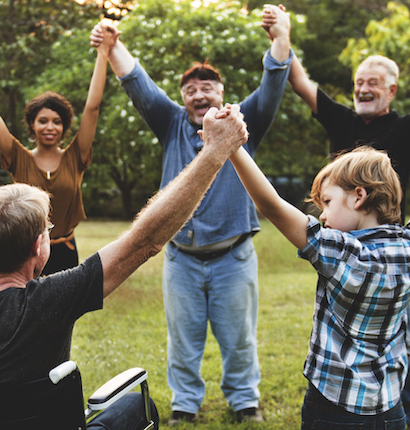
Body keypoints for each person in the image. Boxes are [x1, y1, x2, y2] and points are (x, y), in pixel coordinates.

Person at [90, 4, 293, 424]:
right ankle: (185, 404)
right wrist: (113, 44)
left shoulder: (243, 122)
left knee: (239, 340)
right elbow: (136, 82)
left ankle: (244, 402)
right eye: (191, 90)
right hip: (181, 258)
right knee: (183, 341)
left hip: (233, 257)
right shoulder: (170, 123)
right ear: (183, 98)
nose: (199, 94)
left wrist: (281, 36)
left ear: (221, 93)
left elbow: (273, 82)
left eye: (208, 87)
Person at [0, 104, 249, 429]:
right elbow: (145, 241)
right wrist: (214, 152)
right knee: (139, 407)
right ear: (38, 246)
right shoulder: (50, 300)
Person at [264, 7, 410, 427]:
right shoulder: (343, 119)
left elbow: (272, 207)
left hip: (377, 244)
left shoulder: (407, 126)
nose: (363, 88)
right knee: (389, 333)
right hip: (388, 251)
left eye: (372, 82)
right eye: (358, 82)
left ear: (392, 90)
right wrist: (281, 36)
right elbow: (299, 82)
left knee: (400, 338)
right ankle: (401, 411)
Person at [223, 91, 410, 427]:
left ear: (358, 197)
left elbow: (271, 205)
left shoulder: (339, 250)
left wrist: (233, 147)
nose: (323, 216)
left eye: (328, 202)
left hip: (332, 409)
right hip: (391, 409)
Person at [0, 24, 119, 276]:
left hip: (64, 250)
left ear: (64, 127)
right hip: (21, 252)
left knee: (64, 317)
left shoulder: (76, 157)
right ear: (32, 125)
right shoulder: (17, 157)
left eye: (57, 121)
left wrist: (103, 52)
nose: (49, 127)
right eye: (43, 121)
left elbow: (92, 108)